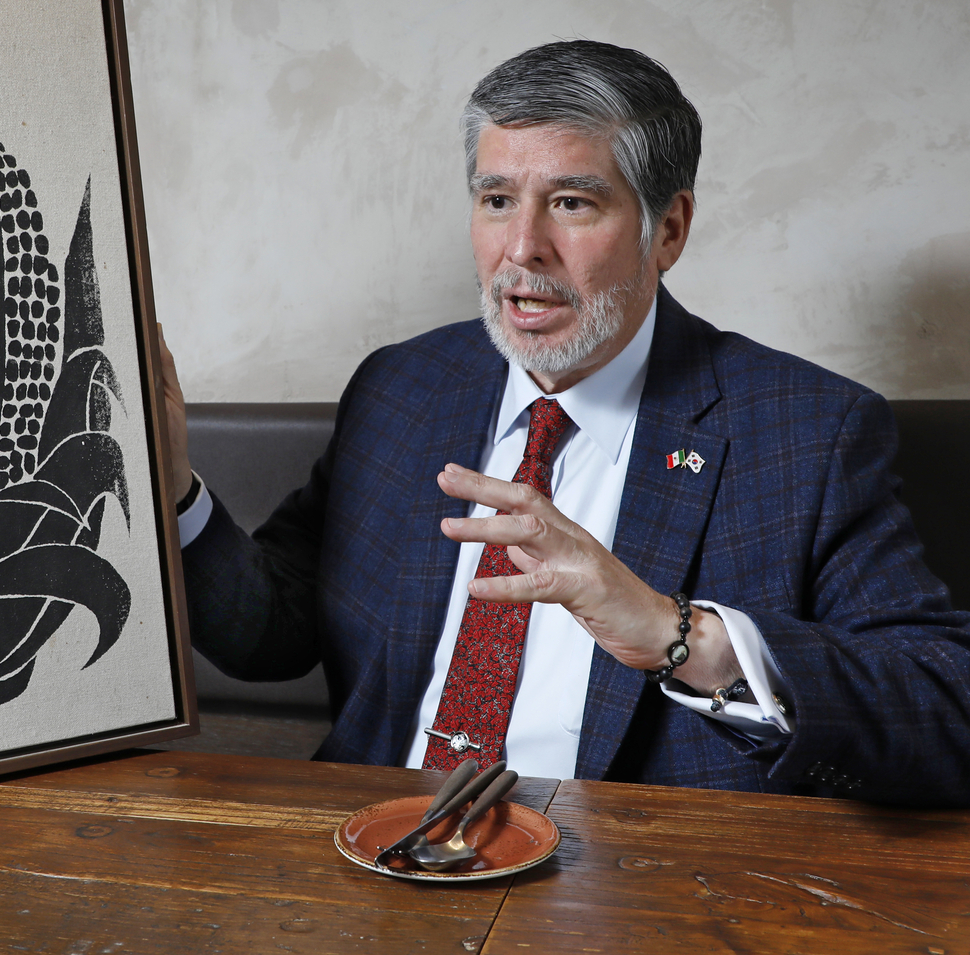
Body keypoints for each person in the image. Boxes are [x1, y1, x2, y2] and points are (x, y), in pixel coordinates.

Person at [160, 40, 970, 806]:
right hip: (378, 839)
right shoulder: (401, 388)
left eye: (571, 202)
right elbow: (269, 634)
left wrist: (676, 635)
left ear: (668, 229)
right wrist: (173, 489)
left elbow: (946, 707)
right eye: (496, 200)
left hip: (637, 871)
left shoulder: (806, 430)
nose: (522, 247)